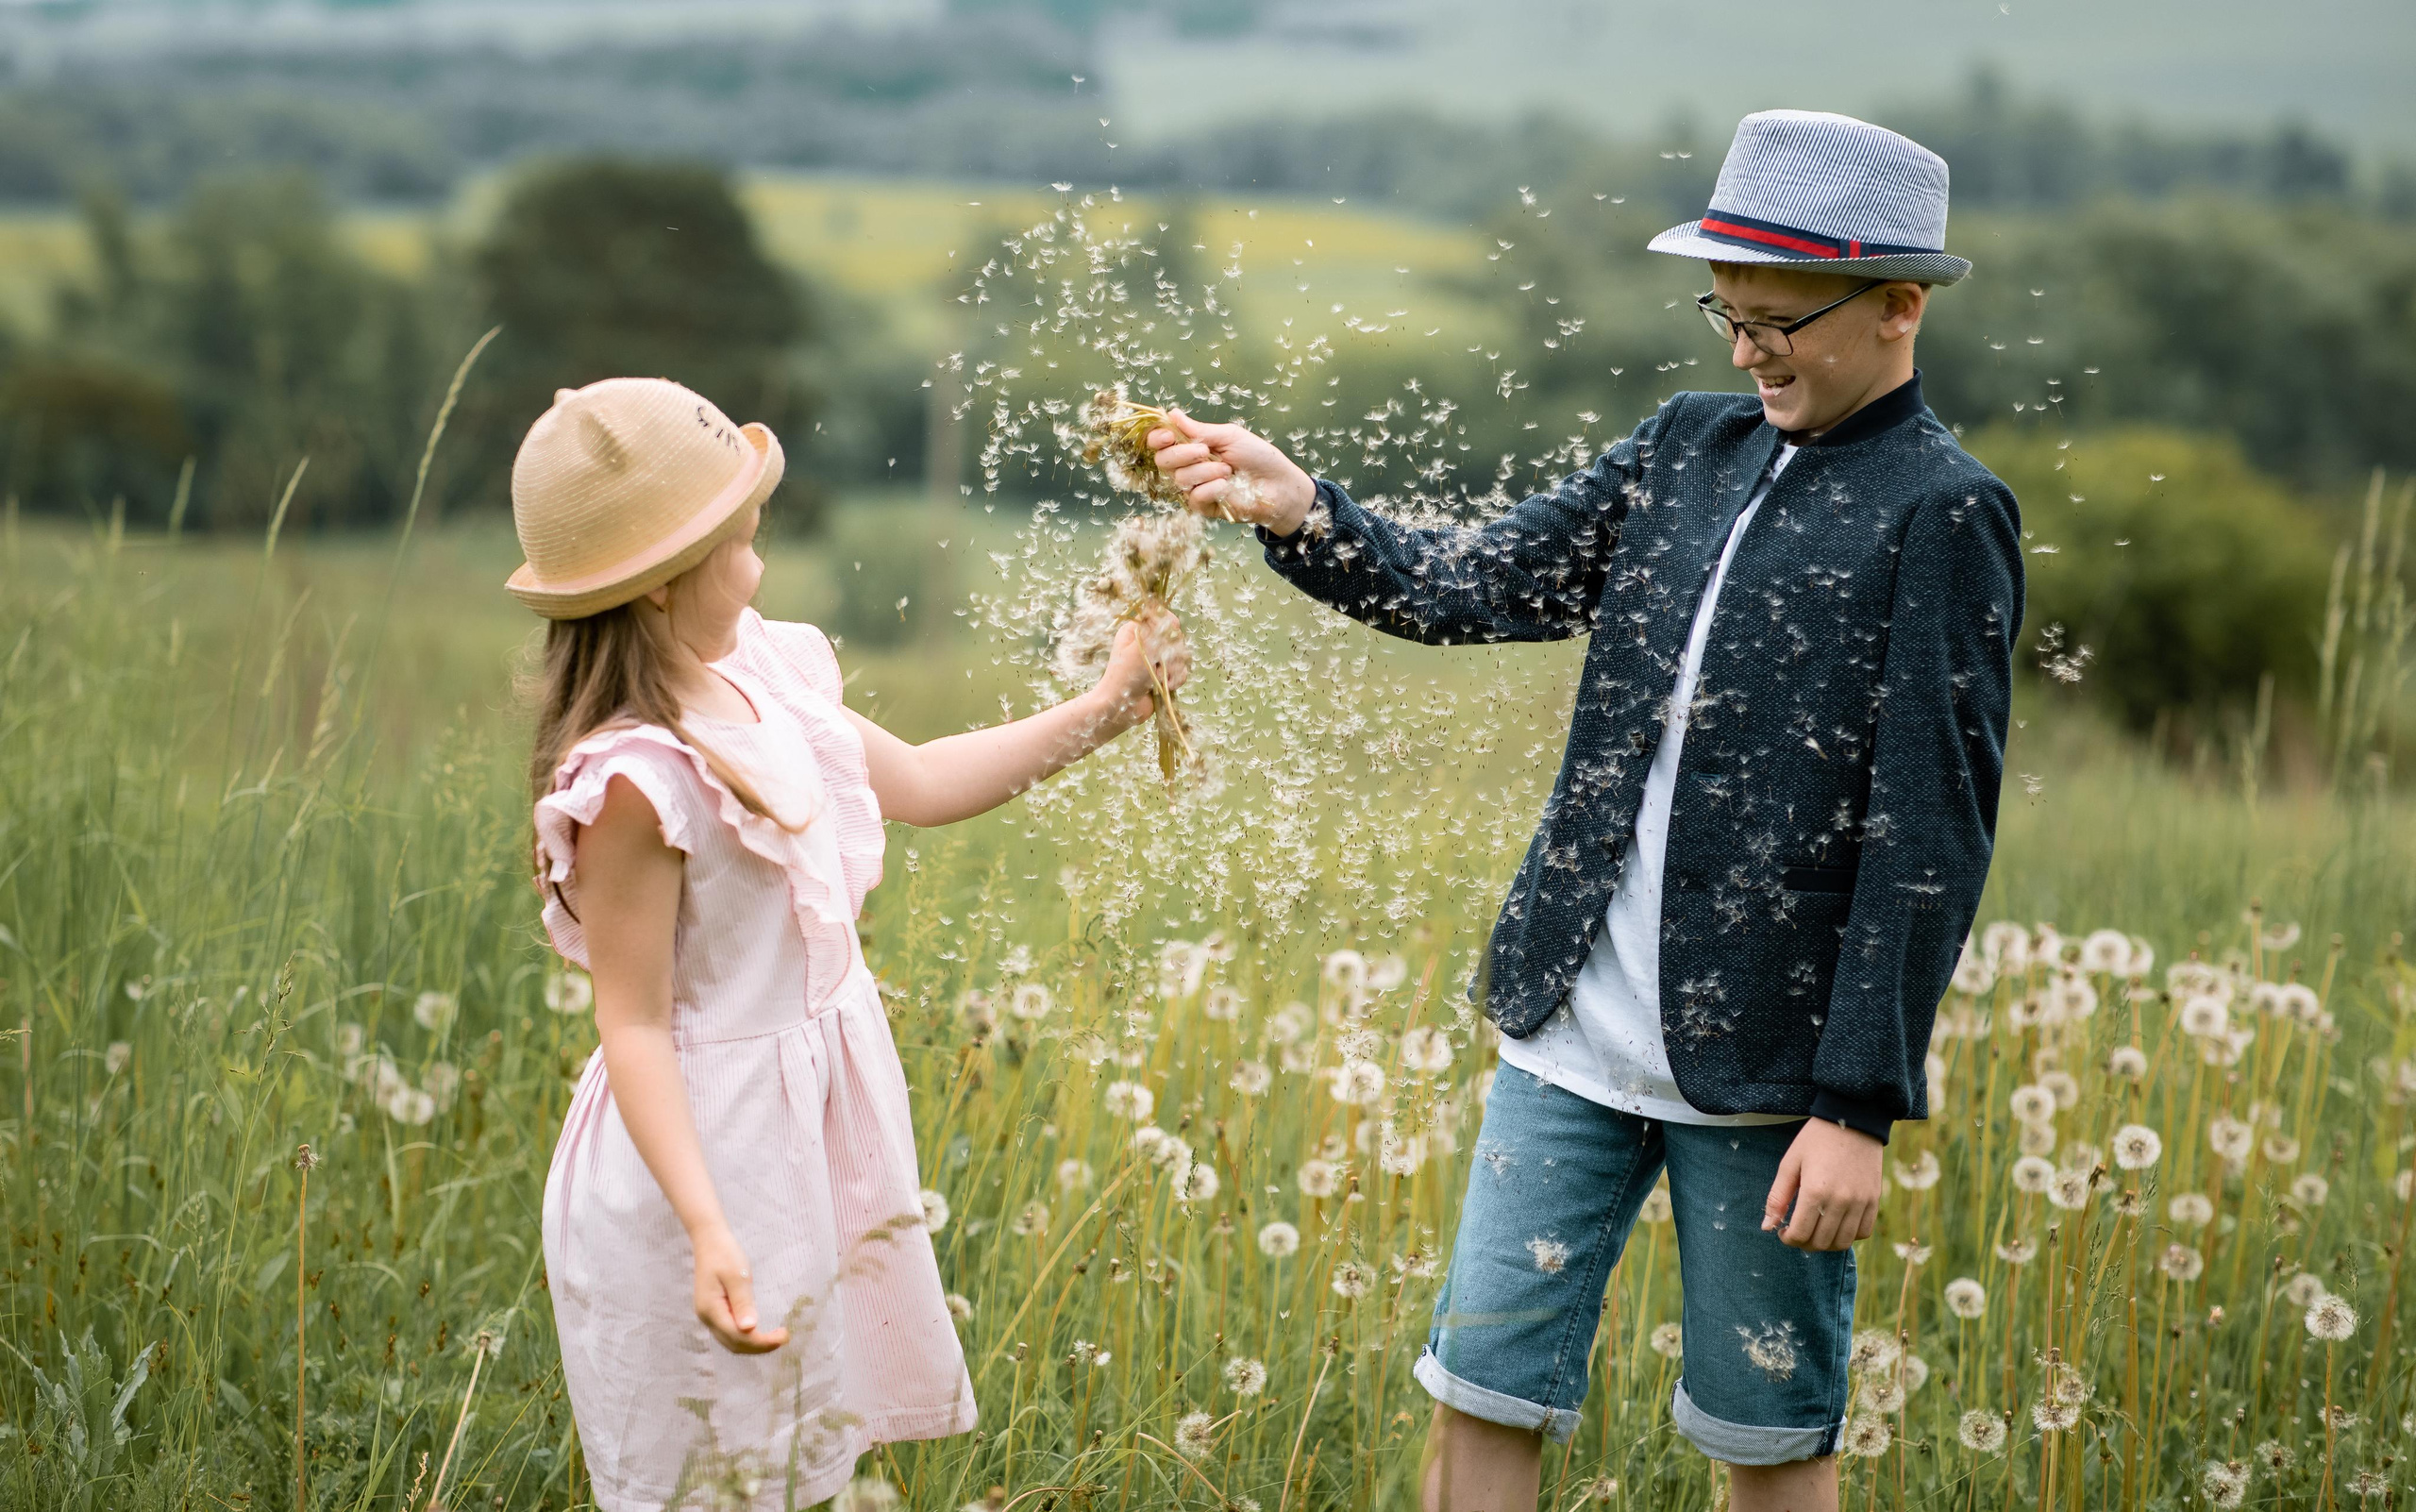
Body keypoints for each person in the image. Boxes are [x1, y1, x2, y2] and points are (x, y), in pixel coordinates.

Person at [1147, 110, 2022, 1512]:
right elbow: (1469, 587)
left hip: (1771, 1071)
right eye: (1728, 315)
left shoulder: (1944, 511)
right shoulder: (1684, 448)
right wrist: (1300, 507)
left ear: (1898, 304)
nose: (1746, 352)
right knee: (1479, 1393)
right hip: (1566, 1032)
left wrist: (1857, 1105)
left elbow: (1929, 833)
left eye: (1778, 322)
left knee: (1767, 1437)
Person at [511, 377, 1187, 1510]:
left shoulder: (758, 674)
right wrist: (709, 1227)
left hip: (803, 1131)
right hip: (704, 1158)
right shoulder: (637, 782)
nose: (758, 566)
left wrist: (1105, 710)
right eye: (742, 543)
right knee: (715, 1479)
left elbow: (919, 781)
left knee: (802, 1458)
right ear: (665, 580)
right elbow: (633, 1027)